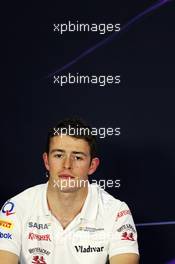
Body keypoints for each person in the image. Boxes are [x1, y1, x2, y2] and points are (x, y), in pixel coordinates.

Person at [0, 118, 139, 264]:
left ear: (92, 165)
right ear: (47, 161)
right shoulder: (16, 208)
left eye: (78, 157)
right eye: (59, 155)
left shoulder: (116, 212)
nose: (67, 165)